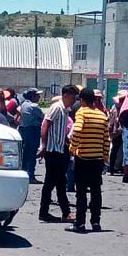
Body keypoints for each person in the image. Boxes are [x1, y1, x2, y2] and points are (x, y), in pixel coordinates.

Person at [68, 87, 110, 233]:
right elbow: (106, 139)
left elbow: (78, 130)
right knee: (96, 191)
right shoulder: (101, 115)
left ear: (82, 100)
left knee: (81, 193)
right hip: (97, 159)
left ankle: (80, 223)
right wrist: (105, 156)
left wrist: (72, 148)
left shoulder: (82, 112)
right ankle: (96, 221)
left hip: (83, 158)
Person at [38, 85, 78, 223]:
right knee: (50, 182)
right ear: (66, 95)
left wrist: (67, 141)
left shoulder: (65, 110)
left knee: (61, 182)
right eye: (73, 97)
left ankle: (65, 212)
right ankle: (44, 212)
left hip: (60, 149)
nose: (74, 101)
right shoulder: (57, 107)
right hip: (53, 150)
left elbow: (60, 131)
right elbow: (45, 125)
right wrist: (44, 145)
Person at [18, 89, 44, 183]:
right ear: (32, 96)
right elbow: (42, 117)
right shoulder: (34, 106)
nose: (39, 97)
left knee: (25, 153)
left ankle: (24, 173)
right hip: (33, 130)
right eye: (37, 95)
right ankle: (31, 176)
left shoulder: (23, 104)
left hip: (24, 130)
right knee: (32, 154)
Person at [107, 93, 126, 176]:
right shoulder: (118, 108)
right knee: (117, 150)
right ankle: (113, 168)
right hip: (118, 131)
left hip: (118, 131)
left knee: (117, 150)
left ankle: (115, 168)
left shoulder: (116, 107)